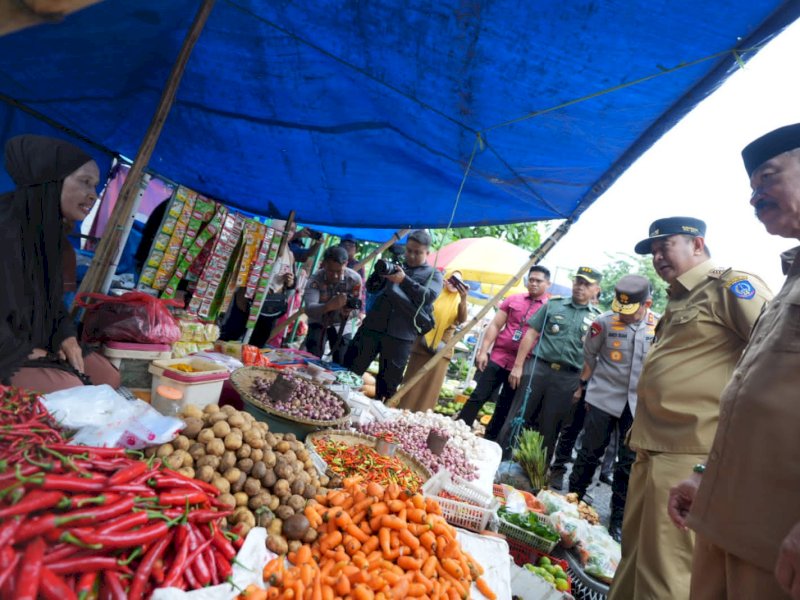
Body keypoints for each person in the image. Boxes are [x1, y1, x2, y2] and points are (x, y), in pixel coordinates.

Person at [667, 124, 800, 600]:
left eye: (768, 178)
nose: (754, 198)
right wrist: (706, 476)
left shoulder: (735, 285)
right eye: (752, 188)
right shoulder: (790, 278)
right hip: (726, 521)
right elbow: (754, 400)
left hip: (778, 543)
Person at [609, 217, 771, 600]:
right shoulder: (679, 296)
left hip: (690, 453)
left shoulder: (729, 285)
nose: (658, 256)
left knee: (667, 572)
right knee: (634, 560)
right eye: (653, 250)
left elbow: (776, 352)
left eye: (667, 245)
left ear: (697, 244)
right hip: (652, 447)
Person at [0, 134, 120, 393]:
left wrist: (66, 336)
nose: (93, 196)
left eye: (96, 187)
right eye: (85, 182)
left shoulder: (51, 238)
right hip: (5, 347)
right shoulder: (4, 228)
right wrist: (23, 350)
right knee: (71, 387)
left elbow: (52, 305)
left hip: (35, 338)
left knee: (107, 377)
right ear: (49, 179)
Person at [567, 275, 659, 542]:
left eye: (631, 311)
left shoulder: (660, 325)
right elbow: (590, 353)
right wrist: (590, 384)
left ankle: (617, 521)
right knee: (588, 454)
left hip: (638, 404)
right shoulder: (604, 322)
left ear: (647, 303)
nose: (624, 315)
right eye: (620, 307)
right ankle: (572, 505)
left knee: (628, 464)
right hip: (603, 398)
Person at [499, 266, 603, 464]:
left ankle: (533, 474)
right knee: (518, 416)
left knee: (550, 427)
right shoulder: (553, 305)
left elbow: (593, 355)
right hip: (538, 368)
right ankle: (500, 460)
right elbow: (530, 333)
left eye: (586, 284)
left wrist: (581, 385)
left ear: (596, 289)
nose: (580, 287)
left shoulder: (598, 319)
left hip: (568, 378)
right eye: (578, 281)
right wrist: (518, 366)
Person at [344, 229, 443, 401]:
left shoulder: (434, 274)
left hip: (401, 336)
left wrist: (404, 281)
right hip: (372, 327)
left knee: (386, 389)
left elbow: (428, 297)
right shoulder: (397, 265)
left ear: (427, 253)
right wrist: (379, 274)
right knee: (349, 371)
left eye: (417, 252)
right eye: (409, 250)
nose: (411, 255)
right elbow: (371, 288)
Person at [457, 265, 551, 439]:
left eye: (539, 281)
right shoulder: (513, 299)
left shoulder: (550, 308)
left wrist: (522, 366)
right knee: (478, 396)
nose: (534, 284)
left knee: (505, 406)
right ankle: (457, 431)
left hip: (521, 366)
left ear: (548, 284)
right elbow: (495, 325)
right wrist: (483, 351)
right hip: (498, 358)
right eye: (531, 280)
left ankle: (489, 441)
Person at [397, 270, 469, 412]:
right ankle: (401, 414)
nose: (454, 283)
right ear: (446, 279)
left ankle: (420, 421)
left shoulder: (459, 300)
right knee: (410, 385)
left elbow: (462, 319)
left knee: (429, 390)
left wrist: (464, 299)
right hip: (422, 345)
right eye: (452, 279)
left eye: (458, 281)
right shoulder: (434, 293)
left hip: (441, 352)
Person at [303, 246, 362, 364]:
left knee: (342, 359)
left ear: (346, 264)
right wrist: (328, 306)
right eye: (330, 271)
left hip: (342, 324)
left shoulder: (354, 279)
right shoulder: (315, 279)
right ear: (324, 264)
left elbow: (357, 307)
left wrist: (348, 312)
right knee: (312, 357)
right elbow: (309, 309)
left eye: (338, 271)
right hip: (318, 321)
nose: (335, 276)